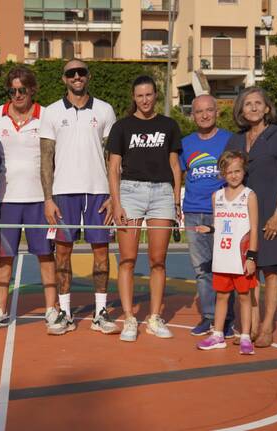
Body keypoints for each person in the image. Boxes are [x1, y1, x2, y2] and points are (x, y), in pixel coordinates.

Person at [40, 59, 118, 334]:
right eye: (71, 73)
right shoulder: (50, 112)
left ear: (88, 76)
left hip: (99, 193)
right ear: (63, 79)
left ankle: (100, 312)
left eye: (81, 72)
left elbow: (114, 158)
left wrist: (113, 196)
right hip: (62, 193)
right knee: (62, 253)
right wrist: (48, 198)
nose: (76, 76)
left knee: (101, 253)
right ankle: (64, 313)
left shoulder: (105, 110)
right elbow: (46, 157)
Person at [0, 66, 65, 335]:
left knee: (45, 256)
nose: (17, 95)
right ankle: (0, 309)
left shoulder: (48, 116)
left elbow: (56, 157)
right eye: (12, 90)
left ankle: (52, 310)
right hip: (4, 199)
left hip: (39, 201)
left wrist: (51, 197)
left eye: (22, 90)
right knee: (4, 257)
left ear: (32, 89)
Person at [107, 75, 182, 342]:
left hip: (162, 193)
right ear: (133, 98)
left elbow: (175, 166)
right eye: (140, 96)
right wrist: (116, 203)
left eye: (149, 95)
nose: (145, 100)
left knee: (157, 261)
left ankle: (153, 317)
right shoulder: (122, 127)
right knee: (127, 260)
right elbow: (114, 168)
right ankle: (129, 317)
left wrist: (176, 201)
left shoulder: (169, 125)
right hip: (130, 193)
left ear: (156, 95)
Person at [226, 86, 277, 348]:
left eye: (258, 103)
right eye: (247, 104)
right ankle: (251, 325)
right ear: (241, 110)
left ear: (267, 108)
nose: (253, 107)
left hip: (271, 213)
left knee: (271, 273)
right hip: (243, 217)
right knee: (249, 273)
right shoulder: (234, 140)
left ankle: (267, 327)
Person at [179, 94, 235, 338]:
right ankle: (209, 316)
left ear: (217, 112)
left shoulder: (230, 140)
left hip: (222, 213)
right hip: (193, 212)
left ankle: (228, 319)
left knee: (226, 268)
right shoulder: (186, 143)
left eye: (208, 110)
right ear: (192, 115)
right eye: (199, 111)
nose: (204, 115)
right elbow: (177, 174)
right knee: (202, 270)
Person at [196, 151, 258, 355]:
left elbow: (254, 229)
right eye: (229, 171)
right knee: (221, 296)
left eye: (237, 171)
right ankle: (218, 335)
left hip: (241, 258)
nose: (233, 175)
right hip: (222, 257)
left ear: (244, 171)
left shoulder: (250, 195)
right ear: (222, 173)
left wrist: (251, 257)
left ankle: (246, 336)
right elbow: (219, 224)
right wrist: (210, 229)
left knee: (244, 297)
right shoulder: (217, 196)